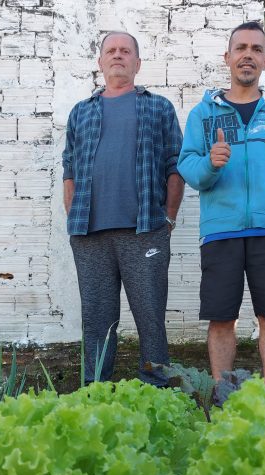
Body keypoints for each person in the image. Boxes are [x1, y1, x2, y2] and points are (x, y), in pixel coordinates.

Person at [178, 21, 265, 388]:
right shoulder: (204, 114)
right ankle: (223, 397)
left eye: (256, 49)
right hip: (221, 230)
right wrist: (210, 163)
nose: (247, 55)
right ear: (228, 57)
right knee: (221, 319)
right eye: (241, 48)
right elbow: (187, 165)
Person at [62, 31, 184, 386]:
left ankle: (157, 396)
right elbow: (69, 168)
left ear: (137, 63)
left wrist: (168, 218)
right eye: (111, 51)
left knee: (150, 320)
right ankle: (95, 399)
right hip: (89, 235)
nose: (118, 55)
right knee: (97, 323)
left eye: (125, 51)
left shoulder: (158, 107)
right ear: (100, 62)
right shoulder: (81, 112)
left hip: (145, 229)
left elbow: (175, 164)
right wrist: (73, 217)